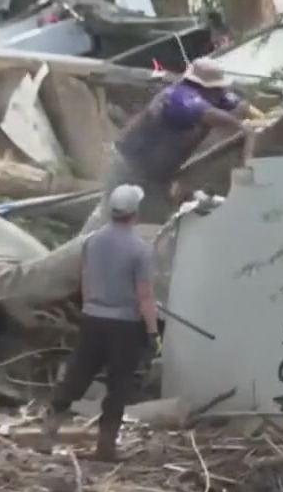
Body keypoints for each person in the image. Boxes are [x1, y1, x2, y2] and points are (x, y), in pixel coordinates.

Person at [79, 57, 265, 234]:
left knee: (150, 218)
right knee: (117, 217)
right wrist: (241, 126)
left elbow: (239, 104)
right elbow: (207, 113)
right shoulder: (177, 98)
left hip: (156, 175)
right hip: (131, 166)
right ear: (206, 87)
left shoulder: (214, 96)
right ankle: (81, 252)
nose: (222, 93)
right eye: (219, 88)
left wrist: (261, 118)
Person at [42, 184, 161, 461]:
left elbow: (86, 280)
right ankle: (105, 447)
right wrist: (153, 331)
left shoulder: (92, 241)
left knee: (77, 375)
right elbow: (145, 296)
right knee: (118, 385)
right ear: (135, 213)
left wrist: (90, 308)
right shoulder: (140, 249)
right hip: (125, 326)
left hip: (93, 320)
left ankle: (49, 429)